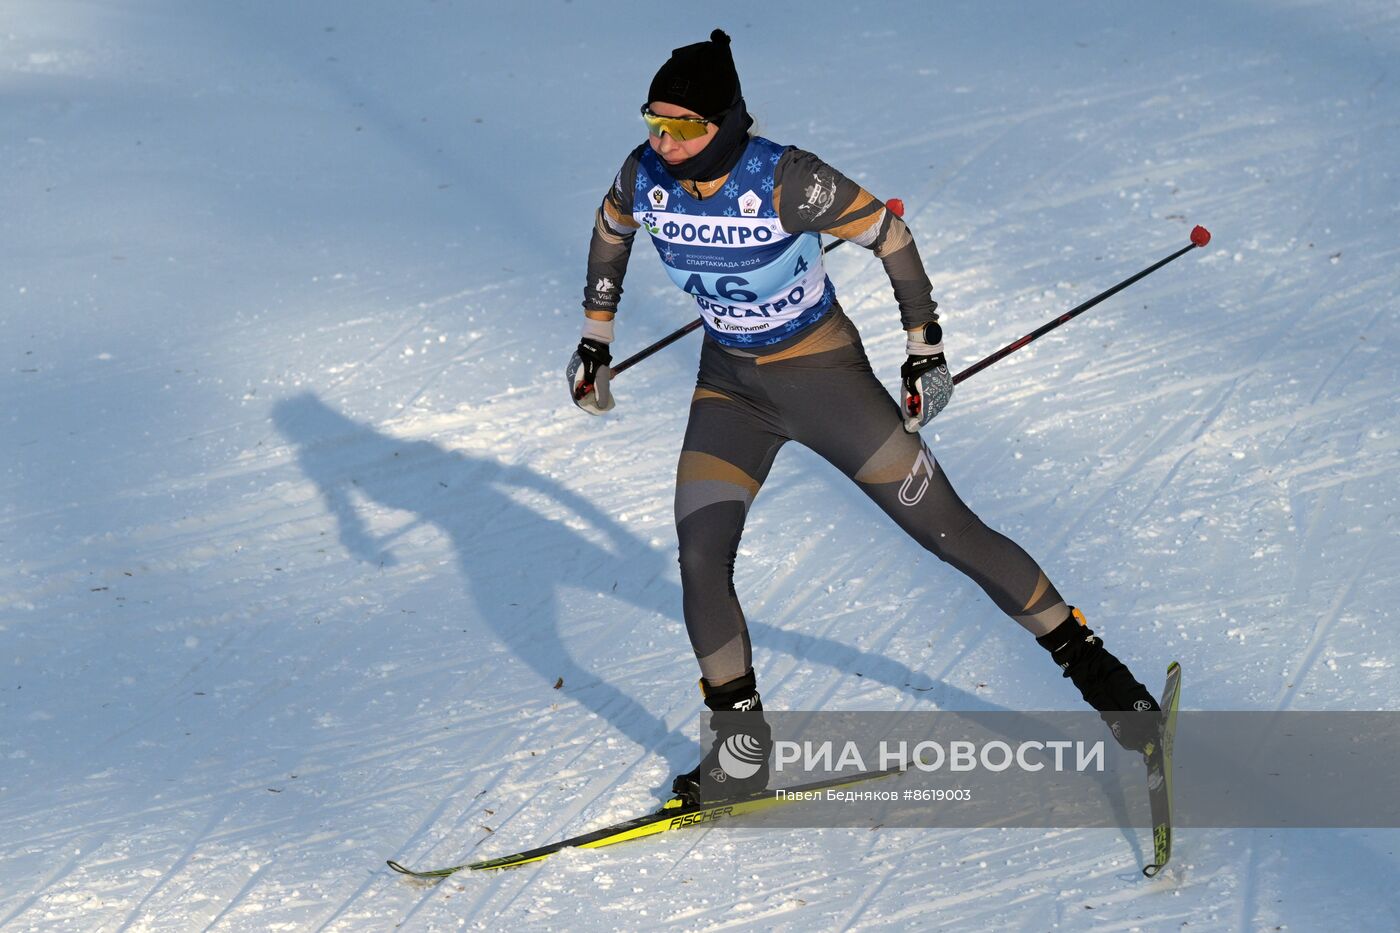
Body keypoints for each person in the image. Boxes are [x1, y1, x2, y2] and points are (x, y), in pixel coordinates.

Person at [568, 29, 1160, 805]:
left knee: (950, 533)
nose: (662, 141)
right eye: (653, 121)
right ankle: (740, 759)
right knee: (698, 553)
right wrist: (595, 338)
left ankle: (1109, 684)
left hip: (826, 381)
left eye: (682, 126)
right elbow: (612, 232)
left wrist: (925, 351)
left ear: (725, 123)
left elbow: (889, 234)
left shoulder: (786, 178)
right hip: (730, 391)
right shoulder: (643, 174)